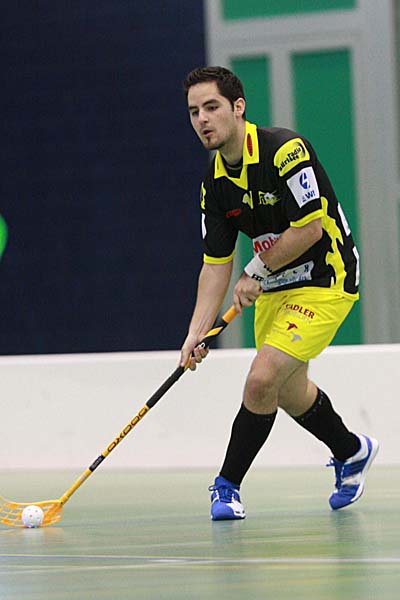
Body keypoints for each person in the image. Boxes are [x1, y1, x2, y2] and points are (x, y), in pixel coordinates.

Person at [180, 66, 379, 521]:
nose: (202, 119)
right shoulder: (214, 185)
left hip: (326, 276)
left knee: (261, 379)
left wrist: (255, 269)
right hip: (274, 286)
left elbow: (309, 228)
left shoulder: (285, 152)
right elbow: (215, 264)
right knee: (287, 391)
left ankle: (226, 486)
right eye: (193, 112)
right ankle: (352, 452)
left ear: (238, 107)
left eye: (211, 107)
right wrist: (196, 333)